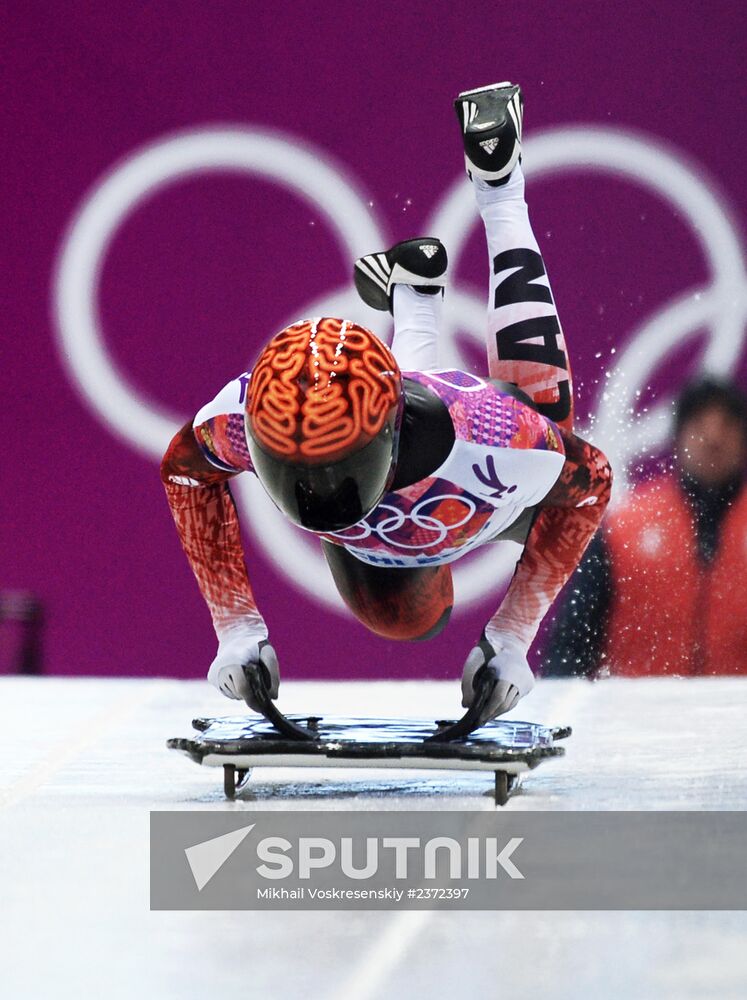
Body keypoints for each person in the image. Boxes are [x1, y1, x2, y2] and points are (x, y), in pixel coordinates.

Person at [161, 82, 612, 722]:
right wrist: (235, 627)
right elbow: (184, 470)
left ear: (389, 431)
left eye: (333, 467)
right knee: (409, 621)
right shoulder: (239, 418)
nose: (315, 494)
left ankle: (499, 191)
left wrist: (512, 637)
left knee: (549, 442)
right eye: (290, 472)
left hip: (467, 462)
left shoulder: (492, 431)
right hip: (401, 504)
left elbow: (591, 484)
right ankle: (418, 296)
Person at [543, 378, 747, 677]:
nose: (714, 438)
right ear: (678, 438)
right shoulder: (624, 527)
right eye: (700, 425)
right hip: (635, 713)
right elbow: (571, 641)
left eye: (728, 425)